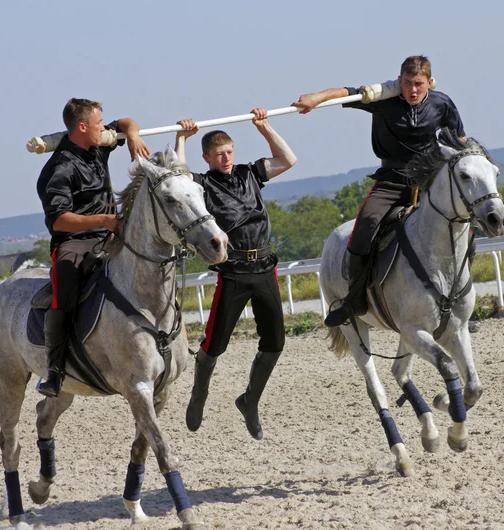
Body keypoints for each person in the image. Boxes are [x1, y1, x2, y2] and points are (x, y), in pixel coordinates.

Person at [292, 55, 465, 327]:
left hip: (431, 179)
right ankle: (355, 298)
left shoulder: (442, 103)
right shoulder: (383, 101)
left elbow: (459, 142)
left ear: (429, 82)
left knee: (464, 220)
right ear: (399, 81)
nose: (413, 90)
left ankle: (460, 299)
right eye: (407, 83)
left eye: (418, 83)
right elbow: (345, 94)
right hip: (392, 179)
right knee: (366, 224)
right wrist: (315, 98)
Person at [175, 108, 297, 440]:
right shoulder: (202, 184)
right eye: (218, 155)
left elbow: (288, 159)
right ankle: (199, 394)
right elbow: (177, 174)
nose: (226, 158)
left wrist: (264, 127)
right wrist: (181, 138)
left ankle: (250, 401)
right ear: (207, 158)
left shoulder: (249, 173)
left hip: (265, 267)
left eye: (229, 152)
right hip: (233, 272)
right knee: (214, 345)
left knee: (275, 343)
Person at [36, 98, 150, 397]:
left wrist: (133, 136)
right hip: (74, 242)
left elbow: (126, 122)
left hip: (111, 232)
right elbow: (59, 221)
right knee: (66, 290)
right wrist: (104, 219)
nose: (104, 126)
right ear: (83, 127)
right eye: (99, 122)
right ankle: (55, 368)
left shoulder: (98, 145)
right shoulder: (57, 169)